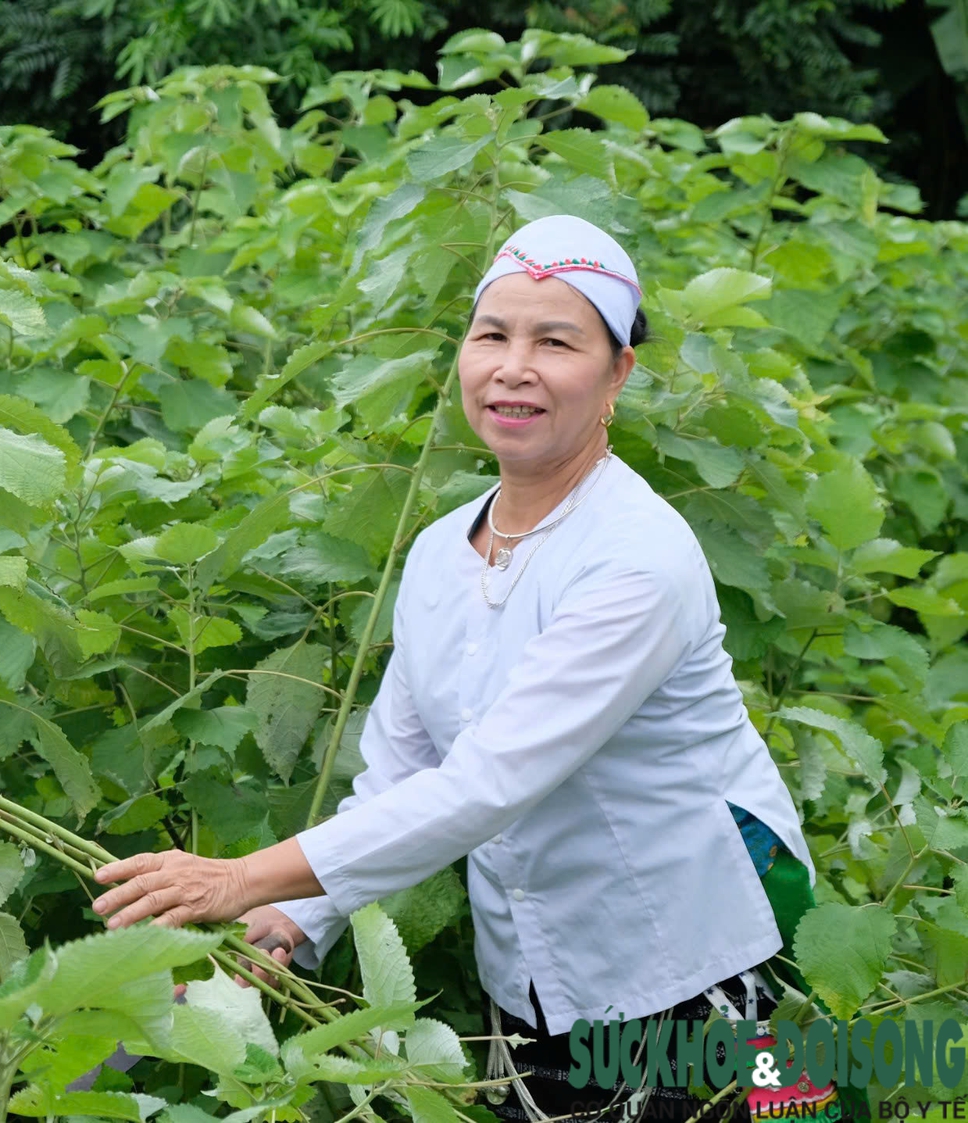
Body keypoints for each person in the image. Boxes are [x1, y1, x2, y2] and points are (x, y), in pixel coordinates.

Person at [91, 217, 832, 1123]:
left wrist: (242, 876)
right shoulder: (445, 549)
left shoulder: (639, 558)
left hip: (704, 944)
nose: (512, 367)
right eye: (492, 335)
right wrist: (296, 918)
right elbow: (402, 773)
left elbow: (488, 782)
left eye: (555, 341)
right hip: (538, 972)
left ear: (617, 375)